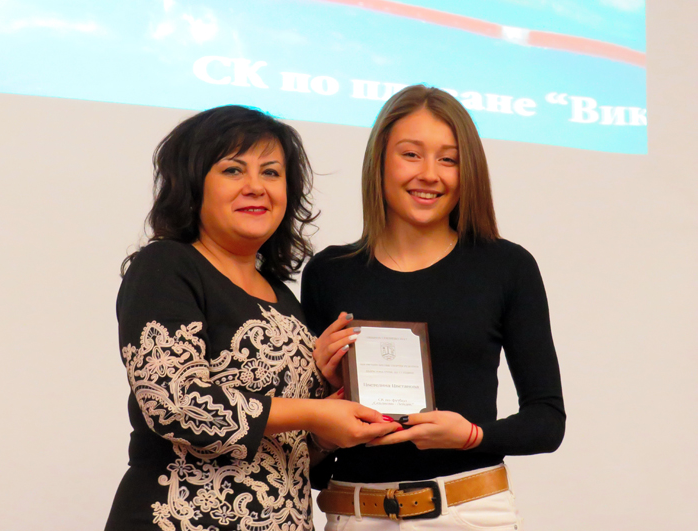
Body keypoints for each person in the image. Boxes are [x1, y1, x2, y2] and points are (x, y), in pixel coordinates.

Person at [105, 105, 399, 531]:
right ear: (193, 183)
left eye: (271, 172)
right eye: (233, 170)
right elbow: (173, 403)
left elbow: (292, 449)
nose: (256, 187)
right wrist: (314, 413)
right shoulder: (166, 266)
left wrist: (325, 431)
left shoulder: (282, 296)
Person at [301, 85, 566, 530]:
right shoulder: (329, 272)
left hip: (470, 513)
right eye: (411, 154)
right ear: (379, 161)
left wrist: (471, 436)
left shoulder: (506, 266)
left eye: (449, 159)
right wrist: (326, 400)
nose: (429, 174)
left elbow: (547, 421)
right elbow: (307, 452)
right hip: (354, 514)